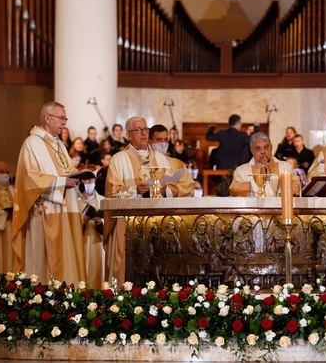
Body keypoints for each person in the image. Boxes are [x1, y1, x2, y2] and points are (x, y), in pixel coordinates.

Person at [105, 116, 195, 282]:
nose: (143, 133)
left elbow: (176, 186)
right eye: (138, 130)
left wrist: (165, 189)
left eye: (145, 129)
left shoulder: (161, 159)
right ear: (129, 135)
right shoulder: (119, 159)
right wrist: (135, 190)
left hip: (157, 223)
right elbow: (112, 192)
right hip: (127, 224)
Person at [12, 101, 87, 285]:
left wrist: (76, 177)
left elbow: (67, 170)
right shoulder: (32, 144)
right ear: (47, 118)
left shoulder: (59, 145)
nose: (64, 123)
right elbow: (29, 179)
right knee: (43, 264)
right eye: (61, 118)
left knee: (66, 259)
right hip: (44, 213)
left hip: (64, 212)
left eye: (65, 118)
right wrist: (62, 182)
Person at [229, 132, 300, 197]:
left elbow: (296, 190)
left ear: (271, 147)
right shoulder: (241, 171)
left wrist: (271, 177)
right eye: (258, 149)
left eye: (266, 147)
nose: (263, 152)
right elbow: (236, 193)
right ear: (252, 151)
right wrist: (260, 179)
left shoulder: (286, 167)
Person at [78, 176, 104, 288]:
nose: (88, 183)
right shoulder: (76, 201)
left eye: (90, 180)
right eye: (85, 180)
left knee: (97, 270)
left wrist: (100, 222)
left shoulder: (102, 200)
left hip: (98, 242)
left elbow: (109, 223)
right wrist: (82, 221)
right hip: (81, 241)